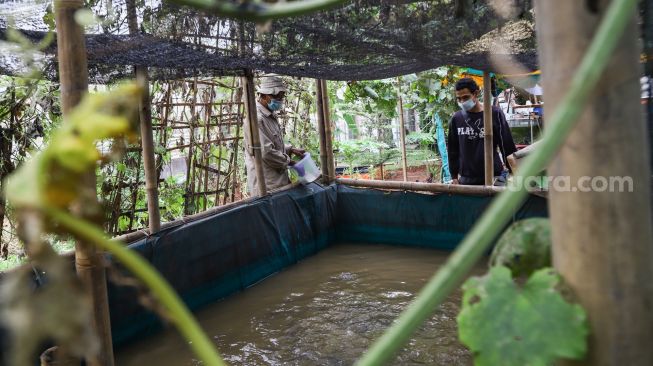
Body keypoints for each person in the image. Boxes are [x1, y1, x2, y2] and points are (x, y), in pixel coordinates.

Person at [447, 78, 517, 185]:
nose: (462, 102)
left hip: (494, 177)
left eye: (466, 97)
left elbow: (506, 145)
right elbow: (453, 150)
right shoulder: (456, 119)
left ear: (475, 93)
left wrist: (514, 171)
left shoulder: (494, 113)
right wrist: (454, 176)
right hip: (467, 179)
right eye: (459, 99)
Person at [244, 75, 305, 196]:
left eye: (281, 97)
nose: (280, 100)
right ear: (265, 96)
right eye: (278, 97)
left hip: (278, 182)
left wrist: (290, 149)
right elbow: (267, 152)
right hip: (266, 185)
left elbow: (272, 143)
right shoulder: (257, 119)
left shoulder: (270, 115)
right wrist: (290, 162)